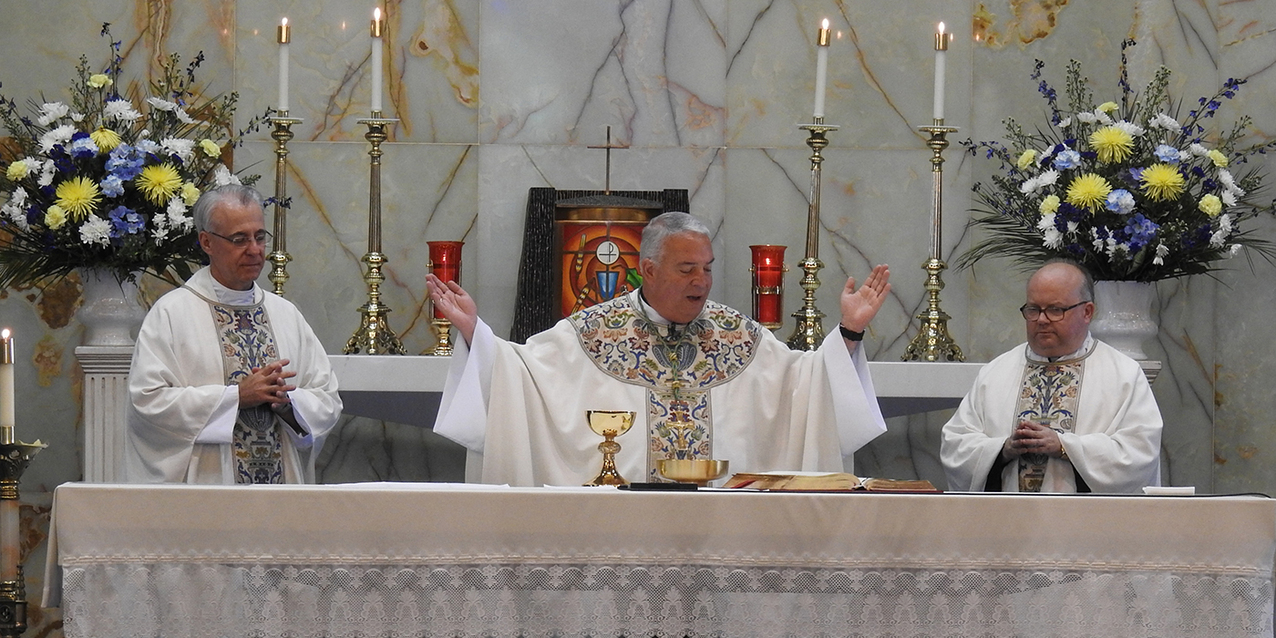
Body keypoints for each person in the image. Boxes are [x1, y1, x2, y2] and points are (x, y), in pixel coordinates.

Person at [427, 211, 892, 486]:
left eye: (707, 269)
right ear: (648, 271)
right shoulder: (592, 331)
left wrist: (848, 333)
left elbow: (805, 383)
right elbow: (521, 373)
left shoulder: (739, 336)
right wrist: (475, 333)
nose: (702, 282)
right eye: (687, 269)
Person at [125, 184, 342, 483]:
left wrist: (290, 405)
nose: (254, 249)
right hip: (208, 496)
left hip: (278, 502)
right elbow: (148, 403)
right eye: (239, 239)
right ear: (206, 242)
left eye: (260, 237)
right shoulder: (172, 314)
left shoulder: (285, 314)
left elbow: (327, 398)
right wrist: (236, 397)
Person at [940, 259, 1162, 493]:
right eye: (1033, 309)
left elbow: (1139, 454)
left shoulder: (1123, 375)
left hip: (1085, 524)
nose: (1042, 320)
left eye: (1055, 310)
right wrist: (1002, 450)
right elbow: (956, 446)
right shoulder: (995, 373)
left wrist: (1064, 446)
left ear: (1087, 312)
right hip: (1009, 522)